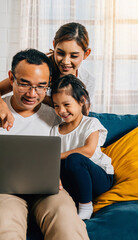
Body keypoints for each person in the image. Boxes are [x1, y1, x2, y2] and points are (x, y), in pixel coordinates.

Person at [0, 49, 89, 240]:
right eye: (24, 84)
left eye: (40, 86)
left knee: (67, 223)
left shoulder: (57, 115)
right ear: (11, 78)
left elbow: (84, 137)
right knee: (4, 223)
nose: (32, 93)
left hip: (46, 191)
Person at [0, 22, 94, 131]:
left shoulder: (87, 80)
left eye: (74, 56)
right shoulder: (41, 70)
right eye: (60, 53)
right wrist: (1, 107)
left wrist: (45, 99)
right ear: (54, 45)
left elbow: (83, 113)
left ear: (86, 54)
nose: (66, 61)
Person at [50, 74, 114, 220]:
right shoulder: (54, 130)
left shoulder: (91, 123)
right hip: (74, 182)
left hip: (99, 179)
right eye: (56, 106)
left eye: (66, 105)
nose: (61, 111)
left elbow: (89, 151)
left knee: (74, 159)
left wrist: (57, 156)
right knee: (56, 166)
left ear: (81, 101)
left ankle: (86, 206)